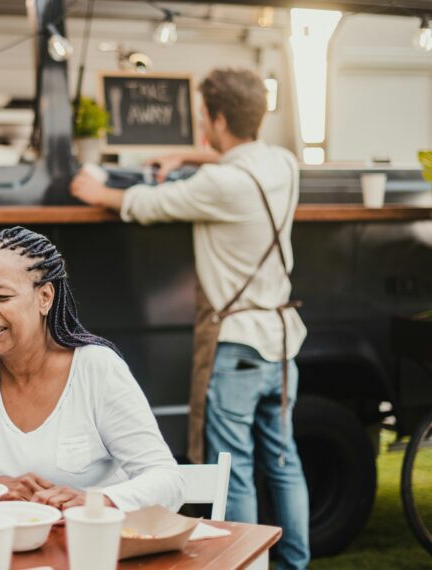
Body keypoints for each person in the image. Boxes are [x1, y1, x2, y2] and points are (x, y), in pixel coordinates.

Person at [70, 68, 309, 569]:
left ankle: (242, 564)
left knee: (234, 469)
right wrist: (188, 155)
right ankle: (294, 564)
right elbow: (233, 157)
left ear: (218, 118)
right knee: (285, 463)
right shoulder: (284, 163)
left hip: (238, 343)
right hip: (283, 343)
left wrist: (92, 187)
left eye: (203, 116)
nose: (201, 124)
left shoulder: (218, 184)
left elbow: (141, 203)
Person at [0, 226, 184, 512]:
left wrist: (98, 501)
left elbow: (166, 479)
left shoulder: (96, 368)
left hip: (82, 548)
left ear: (45, 297)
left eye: (1, 297)